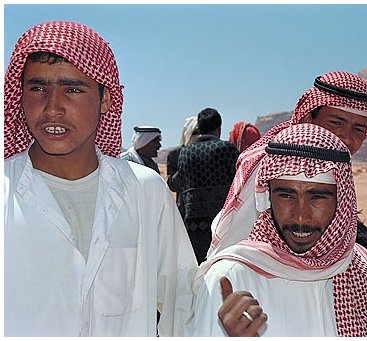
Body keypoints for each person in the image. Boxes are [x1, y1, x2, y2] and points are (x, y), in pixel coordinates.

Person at [4, 21, 197, 336]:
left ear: (106, 98)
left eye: (73, 89)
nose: (52, 108)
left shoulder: (144, 191)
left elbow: (184, 299)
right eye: (37, 88)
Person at [190, 123, 367, 336]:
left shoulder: (363, 270)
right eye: (286, 195)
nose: (300, 216)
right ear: (267, 197)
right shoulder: (231, 276)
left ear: (342, 202)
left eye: (317, 196)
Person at [208, 71, 367, 259]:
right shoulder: (272, 163)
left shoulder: (334, 165)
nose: (347, 137)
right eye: (336, 123)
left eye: (358, 129)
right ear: (308, 119)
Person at [178, 108, 239, 264]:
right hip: (224, 224)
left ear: (199, 127)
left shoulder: (185, 153)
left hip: (194, 226)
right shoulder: (228, 149)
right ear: (218, 128)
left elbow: (180, 184)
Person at [166, 115, 199, 217]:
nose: (198, 137)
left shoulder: (211, 151)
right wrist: (186, 165)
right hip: (185, 209)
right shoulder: (175, 154)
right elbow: (172, 185)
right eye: (195, 133)